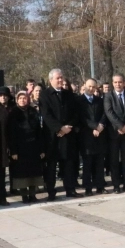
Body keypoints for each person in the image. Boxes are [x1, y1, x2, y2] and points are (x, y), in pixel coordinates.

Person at [40, 69, 83, 200]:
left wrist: (69, 127)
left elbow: (76, 113)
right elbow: (46, 115)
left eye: (61, 78)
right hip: (53, 137)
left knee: (69, 164)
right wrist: (59, 128)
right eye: (58, 78)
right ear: (50, 80)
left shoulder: (68, 94)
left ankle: (70, 189)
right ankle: (51, 192)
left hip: (68, 135)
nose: (60, 80)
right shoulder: (45, 95)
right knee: (52, 166)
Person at [8, 91, 45, 203]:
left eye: (24, 98)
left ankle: (32, 195)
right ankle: (24, 195)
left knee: (34, 173)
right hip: (20, 148)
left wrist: (41, 149)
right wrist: (13, 151)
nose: (22, 100)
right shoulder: (13, 113)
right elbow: (11, 134)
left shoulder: (33, 111)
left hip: (33, 147)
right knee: (22, 174)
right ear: (17, 100)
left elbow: (39, 131)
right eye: (20, 98)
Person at [105, 73, 125, 193]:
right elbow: (109, 112)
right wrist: (120, 126)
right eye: (116, 82)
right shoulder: (108, 96)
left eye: (120, 82)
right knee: (114, 160)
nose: (118, 84)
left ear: (124, 83)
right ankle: (116, 185)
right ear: (113, 83)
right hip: (114, 133)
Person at [78, 79, 108, 195]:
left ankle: (100, 186)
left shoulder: (99, 100)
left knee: (100, 163)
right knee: (87, 164)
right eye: (89, 86)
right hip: (86, 136)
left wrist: (101, 125)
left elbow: (104, 114)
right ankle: (88, 188)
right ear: (85, 86)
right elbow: (82, 118)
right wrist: (95, 127)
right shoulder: (79, 101)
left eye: (93, 87)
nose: (91, 89)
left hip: (100, 136)